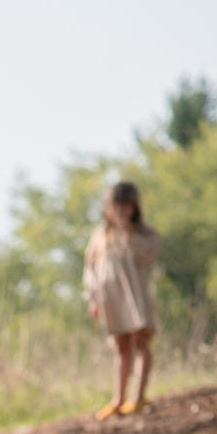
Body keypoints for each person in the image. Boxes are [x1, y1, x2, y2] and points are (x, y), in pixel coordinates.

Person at [82, 180, 162, 420]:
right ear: (108, 208)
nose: (121, 212)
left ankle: (137, 397)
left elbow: (151, 251)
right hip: (110, 299)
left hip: (133, 297)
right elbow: (90, 266)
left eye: (126, 207)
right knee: (120, 346)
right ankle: (118, 399)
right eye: (116, 206)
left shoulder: (142, 234)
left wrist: (128, 233)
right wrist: (92, 297)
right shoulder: (100, 235)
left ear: (134, 208)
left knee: (140, 342)